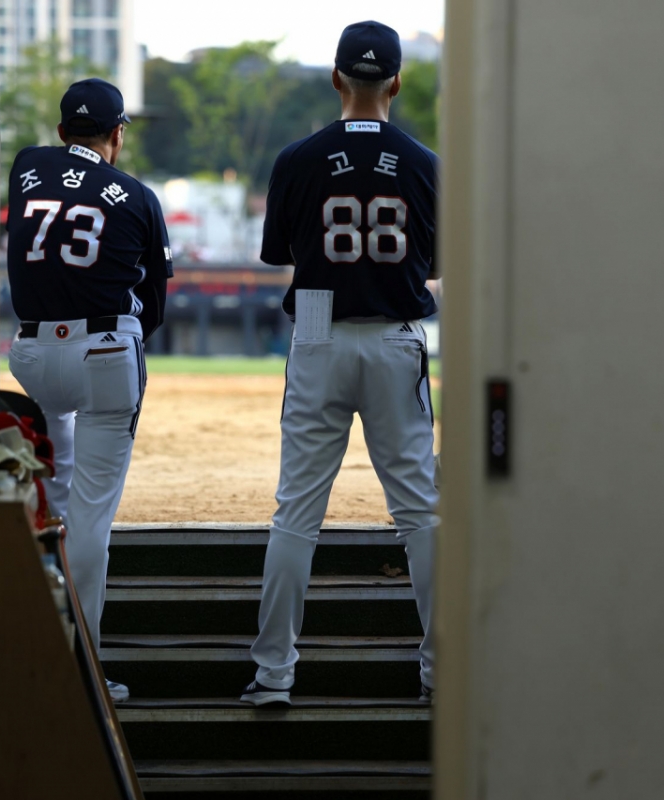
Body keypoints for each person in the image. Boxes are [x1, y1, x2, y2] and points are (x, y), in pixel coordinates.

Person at [241, 21, 439, 707]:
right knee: (420, 513)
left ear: (334, 80)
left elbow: (281, 253)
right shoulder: (421, 161)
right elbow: (433, 264)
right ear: (396, 82)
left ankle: (274, 675)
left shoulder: (298, 158)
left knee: (296, 511)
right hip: (394, 329)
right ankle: (442, 675)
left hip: (320, 323)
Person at [6, 78, 172, 702]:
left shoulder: (27, 165)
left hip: (31, 352)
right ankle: (82, 669)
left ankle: (30, 645)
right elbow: (154, 299)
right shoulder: (136, 195)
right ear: (117, 135)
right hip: (104, 351)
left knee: (51, 495)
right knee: (90, 518)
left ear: (59, 132)